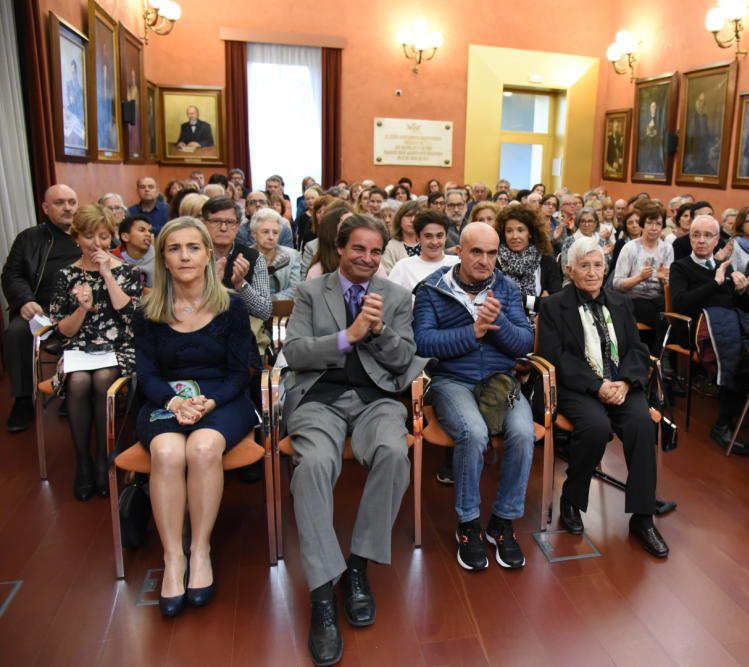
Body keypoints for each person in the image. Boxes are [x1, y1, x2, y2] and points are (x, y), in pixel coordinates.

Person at [282, 214, 426, 665]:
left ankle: (358, 567)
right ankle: (323, 595)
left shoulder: (397, 297)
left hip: (375, 399)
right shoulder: (310, 292)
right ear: (340, 250)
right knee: (314, 467)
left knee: (393, 452)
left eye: (375, 251)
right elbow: (295, 352)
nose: (367, 258)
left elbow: (406, 362)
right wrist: (348, 336)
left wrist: (379, 333)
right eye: (358, 249)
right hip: (318, 398)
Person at [133, 217, 258, 617]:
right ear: (163, 258)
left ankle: (200, 549)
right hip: (165, 399)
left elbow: (241, 373)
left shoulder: (231, 307)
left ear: (208, 254)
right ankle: (174, 558)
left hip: (223, 398)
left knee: (204, 448)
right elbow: (147, 373)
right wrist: (172, 402)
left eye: (192, 247)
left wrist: (208, 403)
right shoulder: (148, 309)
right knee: (168, 454)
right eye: (174, 248)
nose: (184, 256)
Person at [413, 222, 535, 572]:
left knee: (524, 434)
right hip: (453, 380)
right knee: (474, 433)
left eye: (492, 253)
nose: (485, 261)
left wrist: (498, 327)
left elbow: (524, 343)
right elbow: (424, 343)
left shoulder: (507, 289)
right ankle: (468, 524)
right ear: (459, 251)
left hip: (499, 381)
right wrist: (475, 331)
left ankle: (503, 521)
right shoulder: (432, 289)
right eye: (477, 252)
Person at [539, 237, 668, 557]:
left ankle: (642, 516)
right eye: (585, 266)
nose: (593, 272)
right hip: (579, 387)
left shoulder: (622, 302)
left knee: (641, 424)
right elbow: (555, 356)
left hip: (622, 384)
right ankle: (572, 500)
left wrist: (625, 382)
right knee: (596, 428)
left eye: (598, 265)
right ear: (570, 270)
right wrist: (597, 386)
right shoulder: (554, 306)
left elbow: (637, 350)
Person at [50, 205, 140, 500]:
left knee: (102, 379)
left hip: (117, 347)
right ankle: (83, 463)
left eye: (102, 237)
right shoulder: (65, 275)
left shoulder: (126, 271)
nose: (96, 244)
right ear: (77, 238)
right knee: (78, 382)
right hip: (79, 347)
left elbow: (131, 318)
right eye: (89, 237)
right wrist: (81, 309)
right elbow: (63, 331)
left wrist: (107, 274)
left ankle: (104, 457)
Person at [669, 215, 749, 458]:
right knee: (741, 360)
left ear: (717, 239)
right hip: (695, 330)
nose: (701, 241)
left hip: (728, 327)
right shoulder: (681, 266)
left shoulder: (726, 268)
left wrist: (741, 291)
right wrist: (715, 283)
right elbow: (679, 304)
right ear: (689, 237)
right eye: (696, 235)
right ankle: (722, 425)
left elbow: (736, 305)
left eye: (708, 236)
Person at [2, 185, 82, 432]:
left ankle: (73, 391)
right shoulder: (30, 238)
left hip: (82, 307)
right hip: (41, 308)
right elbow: (11, 275)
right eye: (59, 203)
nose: (67, 207)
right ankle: (24, 399)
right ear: (46, 208)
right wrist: (25, 300)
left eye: (71, 201)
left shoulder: (88, 233)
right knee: (16, 332)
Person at [612, 205, 672, 353]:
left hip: (657, 299)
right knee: (662, 316)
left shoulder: (667, 249)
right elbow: (617, 284)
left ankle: (655, 357)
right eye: (650, 223)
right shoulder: (630, 248)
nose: (654, 228)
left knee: (670, 313)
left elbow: (668, 285)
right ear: (642, 225)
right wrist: (639, 277)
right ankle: (655, 358)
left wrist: (664, 280)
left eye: (658, 224)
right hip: (632, 299)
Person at [202, 197, 272, 321]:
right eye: (216, 221)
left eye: (229, 222)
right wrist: (212, 284)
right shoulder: (192, 256)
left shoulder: (253, 258)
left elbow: (265, 312)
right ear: (204, 223)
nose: (223, 228)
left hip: (241, 331)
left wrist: (241, 284)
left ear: (238, 226)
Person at [495, 204, 561, 314]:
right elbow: (497, 301)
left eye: (520, 230)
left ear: (530, 233)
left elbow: (556, 303)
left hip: (541, 325)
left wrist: (517, 300)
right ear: (503, 234)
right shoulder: (495, 261)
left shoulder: (547, 261)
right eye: (509, 231)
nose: (514, 236)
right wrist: (538, 302)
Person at [388, 209, 460, 292]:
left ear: (446, 237)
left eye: (439, 236)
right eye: (428, 236)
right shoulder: (403, 268)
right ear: (418, 238)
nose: (434, 242)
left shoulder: (458, 264)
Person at [251, 208, 300, 300]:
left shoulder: (293, 255)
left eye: (275, 232)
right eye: (265, 232)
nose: (271, 237)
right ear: (254, 233)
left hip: (283, 309)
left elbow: (295, 289)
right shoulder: (244, 256)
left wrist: (270, 301)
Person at [112, 214, 155, 288]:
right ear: (125, 237)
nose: (148, 234)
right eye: (141, 230)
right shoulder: (114, 261)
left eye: (150, 231)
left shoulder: (161, 258)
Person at [381, 200, 422, 273]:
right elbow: (388, 278)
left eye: (417, 216)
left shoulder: (428, 244)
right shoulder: (390, 248)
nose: (412, 220)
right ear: (399, 219)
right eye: (408, 216)